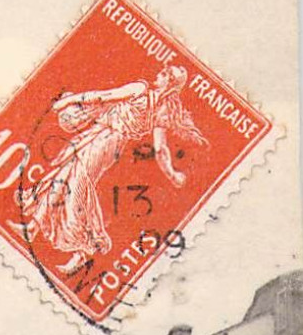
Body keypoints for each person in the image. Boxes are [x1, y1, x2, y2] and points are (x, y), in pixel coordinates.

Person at [11, 64, 209, 275]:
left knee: (77, 183)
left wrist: (69, 100)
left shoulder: (142, 90)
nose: (159, 74)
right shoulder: (160, 108)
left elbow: (104, 96)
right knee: (66, 172)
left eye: (164, 74)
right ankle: (34, 227)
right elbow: (160, 149)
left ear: (169, 82)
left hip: (107, 141)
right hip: (103, 137)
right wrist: (171, 173)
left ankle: (84, 247)